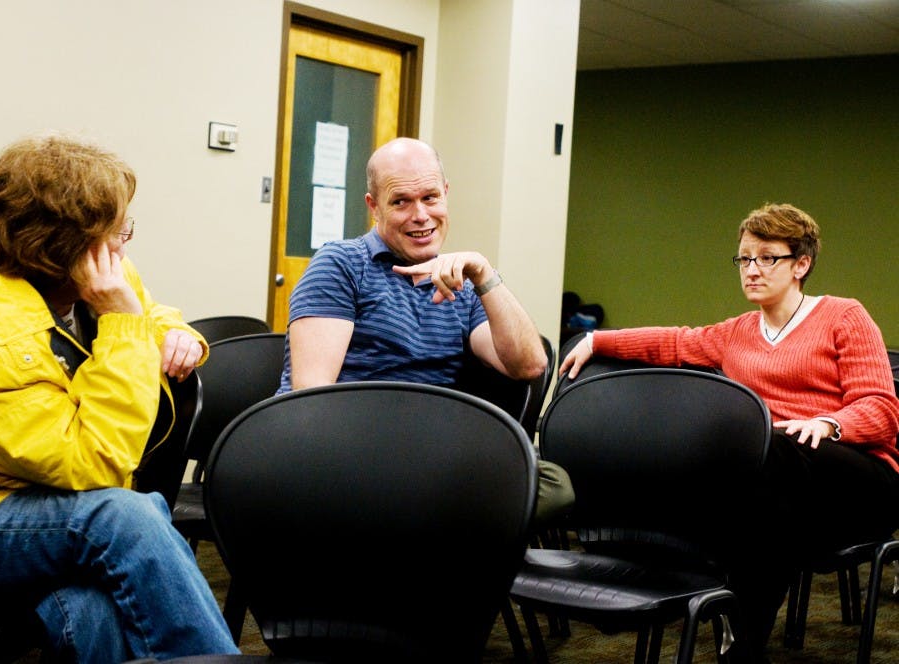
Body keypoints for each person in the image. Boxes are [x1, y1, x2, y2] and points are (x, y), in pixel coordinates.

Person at [0, 133, 239, 661]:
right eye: (118, 230)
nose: (125, 243)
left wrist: (178, 334)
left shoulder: (98, 276)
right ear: (67, 246)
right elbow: (93, 463)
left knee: (89, 606)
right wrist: (123, 324)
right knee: (123, 519)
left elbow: (150, 311)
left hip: (30, 504)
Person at [558, 202, 899, 660]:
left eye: (766, 257)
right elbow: (674, 342)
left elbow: (881, 409)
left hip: (857, 480)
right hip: (776, 489)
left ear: (802, 264)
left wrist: (827, 423)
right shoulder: (738, 332)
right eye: (744, 258)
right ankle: (716, 620)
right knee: (742, 476)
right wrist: (596, 339)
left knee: (769, 451)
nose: (751, 269)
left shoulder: (843, 316)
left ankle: (739, 628)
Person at [278, 137, 573, 526]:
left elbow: (530, 366)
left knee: (550, 485)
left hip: (428, 450)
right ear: (374, 206)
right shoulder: (341, 265)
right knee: (452, 503)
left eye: (431, 197)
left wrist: (484, 274)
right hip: (341, 447)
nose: (421, 215)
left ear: (446, 195)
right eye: (401, 202)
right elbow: (313, 397)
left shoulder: (464, 285)